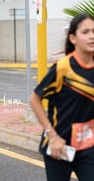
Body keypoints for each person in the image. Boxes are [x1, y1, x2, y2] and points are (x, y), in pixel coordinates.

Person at [30, 14, 94, 181]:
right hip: (59, 146)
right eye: (85, 32)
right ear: (73, 38)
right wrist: (53, 137)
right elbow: (35, 100)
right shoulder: (62, 68)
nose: (92, 36)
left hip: (88, 147)